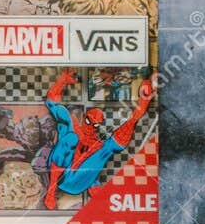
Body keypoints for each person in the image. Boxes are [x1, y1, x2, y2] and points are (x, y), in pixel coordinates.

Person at [41, 68, 155, 210]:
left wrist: (140, 108)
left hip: (81, 182)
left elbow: (93, 164)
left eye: (96, 124)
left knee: (106, 149)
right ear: (84, 118)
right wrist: (62, 81)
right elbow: (52, 103)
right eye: (89, 122)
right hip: (62, 178)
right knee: (71, 138)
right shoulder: (70, 123)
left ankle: (137, 115)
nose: (92, 126)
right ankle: (50, 193)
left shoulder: (97, 144)